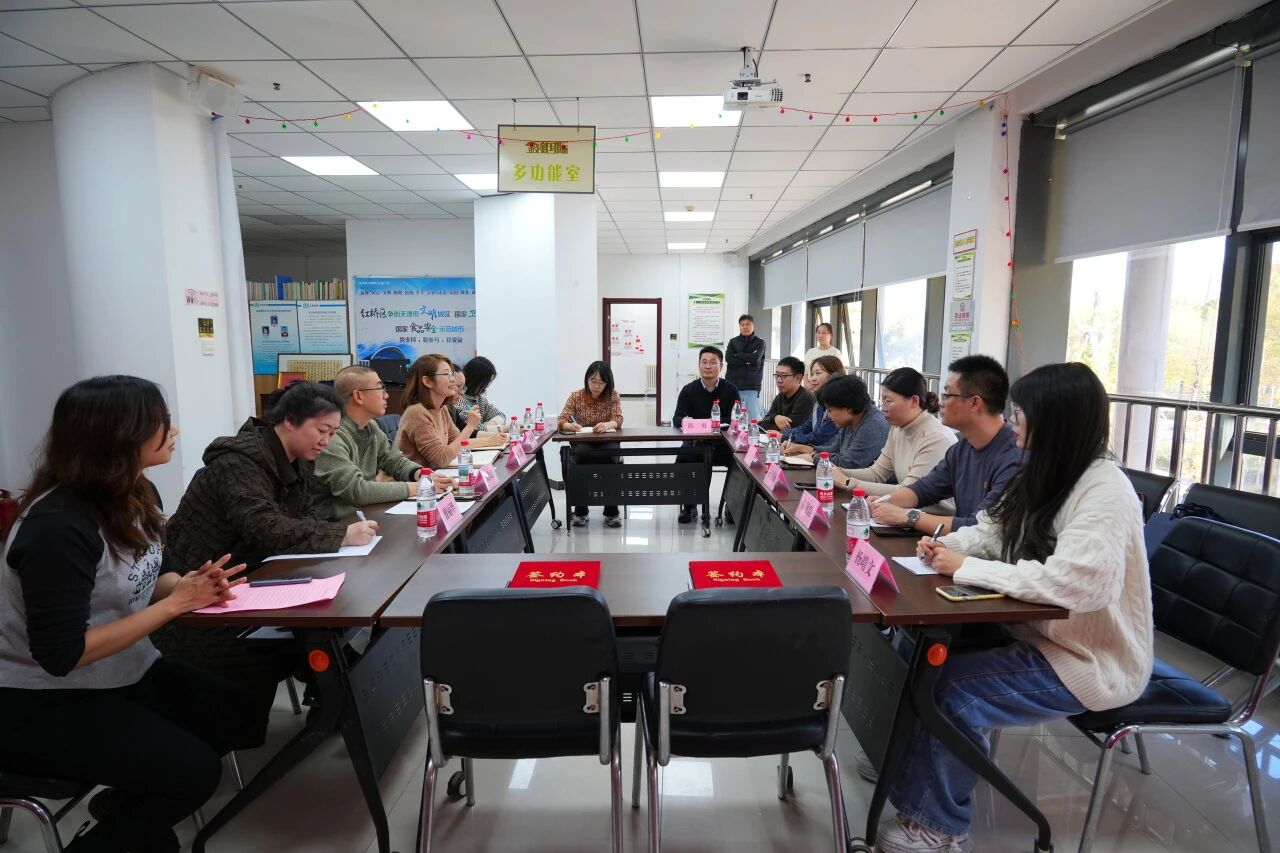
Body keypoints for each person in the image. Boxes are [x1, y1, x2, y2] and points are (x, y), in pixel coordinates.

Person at [876, 362, 1153, 853]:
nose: (1015, 423)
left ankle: (940, 828)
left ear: (1056, 421)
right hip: (1032, 630)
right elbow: (994, 529)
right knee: (914, 655)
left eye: (1023, 414)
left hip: (1089, 658)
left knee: (953, 691)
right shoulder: (1047, 471)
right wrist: (946, 547)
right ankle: (905, 770)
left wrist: (967, 568)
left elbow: (1077, 584)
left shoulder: (1104, 490)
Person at [0, 376, 253, 853]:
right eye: (160, 422)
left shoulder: (136, 492)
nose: (173, 431)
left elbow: (154, 573)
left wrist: (192, 588)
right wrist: (177, 604)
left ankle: (126, 810)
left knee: (237, 715)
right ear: (118, 436)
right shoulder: (57, 527)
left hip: (122, 671)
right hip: (39, 699)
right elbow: (62, 654)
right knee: (193, 773)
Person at [155, 382, 381, 744]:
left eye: (332, 433)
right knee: (315, 635)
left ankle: (336, 704)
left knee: (339, 617)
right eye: (321, 430)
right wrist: (341, 535)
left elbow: (302, 519)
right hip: (205, 597)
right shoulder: (238, 463)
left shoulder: (294, 460)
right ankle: (328, 705)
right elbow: (266, 529)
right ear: (290, 421)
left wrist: (334, 535)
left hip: (247, 580)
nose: (326, 441)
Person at [870, 355, 1022, 536]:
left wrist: (909, 517)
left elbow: (981, 528)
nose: (941, 402)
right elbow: (924, 489)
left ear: (975, 402)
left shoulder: (1014, 457)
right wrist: (884, 502)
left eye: (948, 395)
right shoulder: (962, 448)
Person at [313, 365, 443, 520]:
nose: (386, 395)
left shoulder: (371, 426)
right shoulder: (332, 437)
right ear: (358, 396)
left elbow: (395, 461)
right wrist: (419, 488)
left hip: (366, 513)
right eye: (380, 388)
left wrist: (422, 475)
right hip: (336, 523)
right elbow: (358, 491)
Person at [836, 367, 956, 512]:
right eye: (882, 401)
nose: (883, 408)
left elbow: (908, 492)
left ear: (914, 401)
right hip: (904, 513)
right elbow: (876, 474)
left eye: (888, 401)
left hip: (933, 519)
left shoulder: (936, 437)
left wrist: (847, 482)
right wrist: (839, 471)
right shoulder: (898, 429)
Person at [396, 354, 505, 470]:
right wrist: (470, 426)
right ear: (428, 381)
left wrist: (489, 441)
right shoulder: (416, 413)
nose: (453, 379)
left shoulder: (442, 408)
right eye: (446, 374)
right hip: (416, 479)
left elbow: (459, 443)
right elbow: (441, 459)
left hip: (435, 475)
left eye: (452, 374)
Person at [673, 346, 741, 524]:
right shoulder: (688, 390)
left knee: (740, 463)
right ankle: (689, 506)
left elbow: (736, 418)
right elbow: (677, 417)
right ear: (699, 365)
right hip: (696, 442)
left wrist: (709, 423)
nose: (708, 366)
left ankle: (732, 506)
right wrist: (686, 420)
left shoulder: (731, 390)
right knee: (684, 458)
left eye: (713, 362)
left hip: (723, 443)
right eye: (704, 362)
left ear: (721, 366)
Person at [558, 360, 625, 528]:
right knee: (580, 458)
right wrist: (569, 425)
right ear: (586, 379)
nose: (596, 386)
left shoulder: (613, 395)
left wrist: (607, 425)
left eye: (601, 382)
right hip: (584, 442)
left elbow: (618, 419)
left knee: (611, 458)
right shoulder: (576, 396)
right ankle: (581, 510)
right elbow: (561, 419)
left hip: (607, 441)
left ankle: (611, 511)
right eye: (593, 381)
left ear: (608, 383)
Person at [787, 374, 889, 469]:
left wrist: (813, 457)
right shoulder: (851, 418)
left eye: (830, 410)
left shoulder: (873, 424)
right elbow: (835, 449)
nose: (828, 416)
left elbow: (850, 463)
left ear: (848, 407)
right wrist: (807, 449)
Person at [781, 355, 843, 449]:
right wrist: (783, 434)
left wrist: (784, 437)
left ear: (833, 375)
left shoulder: (838, 404)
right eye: (812, 374)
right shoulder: (818, 402)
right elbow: (807, 426)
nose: (813, 378)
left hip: (828, 454)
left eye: (818, 373)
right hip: (816, 452)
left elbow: (819, 437)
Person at [757, 355, 815, 434]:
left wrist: (767, 422)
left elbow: (790, 430)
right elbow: (766, 419)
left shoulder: (806, 399)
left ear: (798, 378)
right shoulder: (781, 396)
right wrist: (776, 417)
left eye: (784, 376)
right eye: (777, 375)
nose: (779, 380)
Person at [725, 314, 766, 419]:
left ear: (753, 325)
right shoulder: (733, 341)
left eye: (748, 324)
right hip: (733, 384)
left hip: (752, 385)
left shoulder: (760, 342)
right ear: (739, 326)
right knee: (733, 418)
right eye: (742, 324)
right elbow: (728, 358)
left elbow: (755, 358)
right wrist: (747, 360)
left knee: (754, 418)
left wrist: (738, 355)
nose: (745, 327)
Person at [456, 355, 507, 432]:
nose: (486, 387)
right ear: (475, 380)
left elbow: (501, 415)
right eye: (484, 383)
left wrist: (489, 424)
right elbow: (474, 430)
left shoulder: (480, 399)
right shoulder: (458, 400)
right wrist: (504, 428)